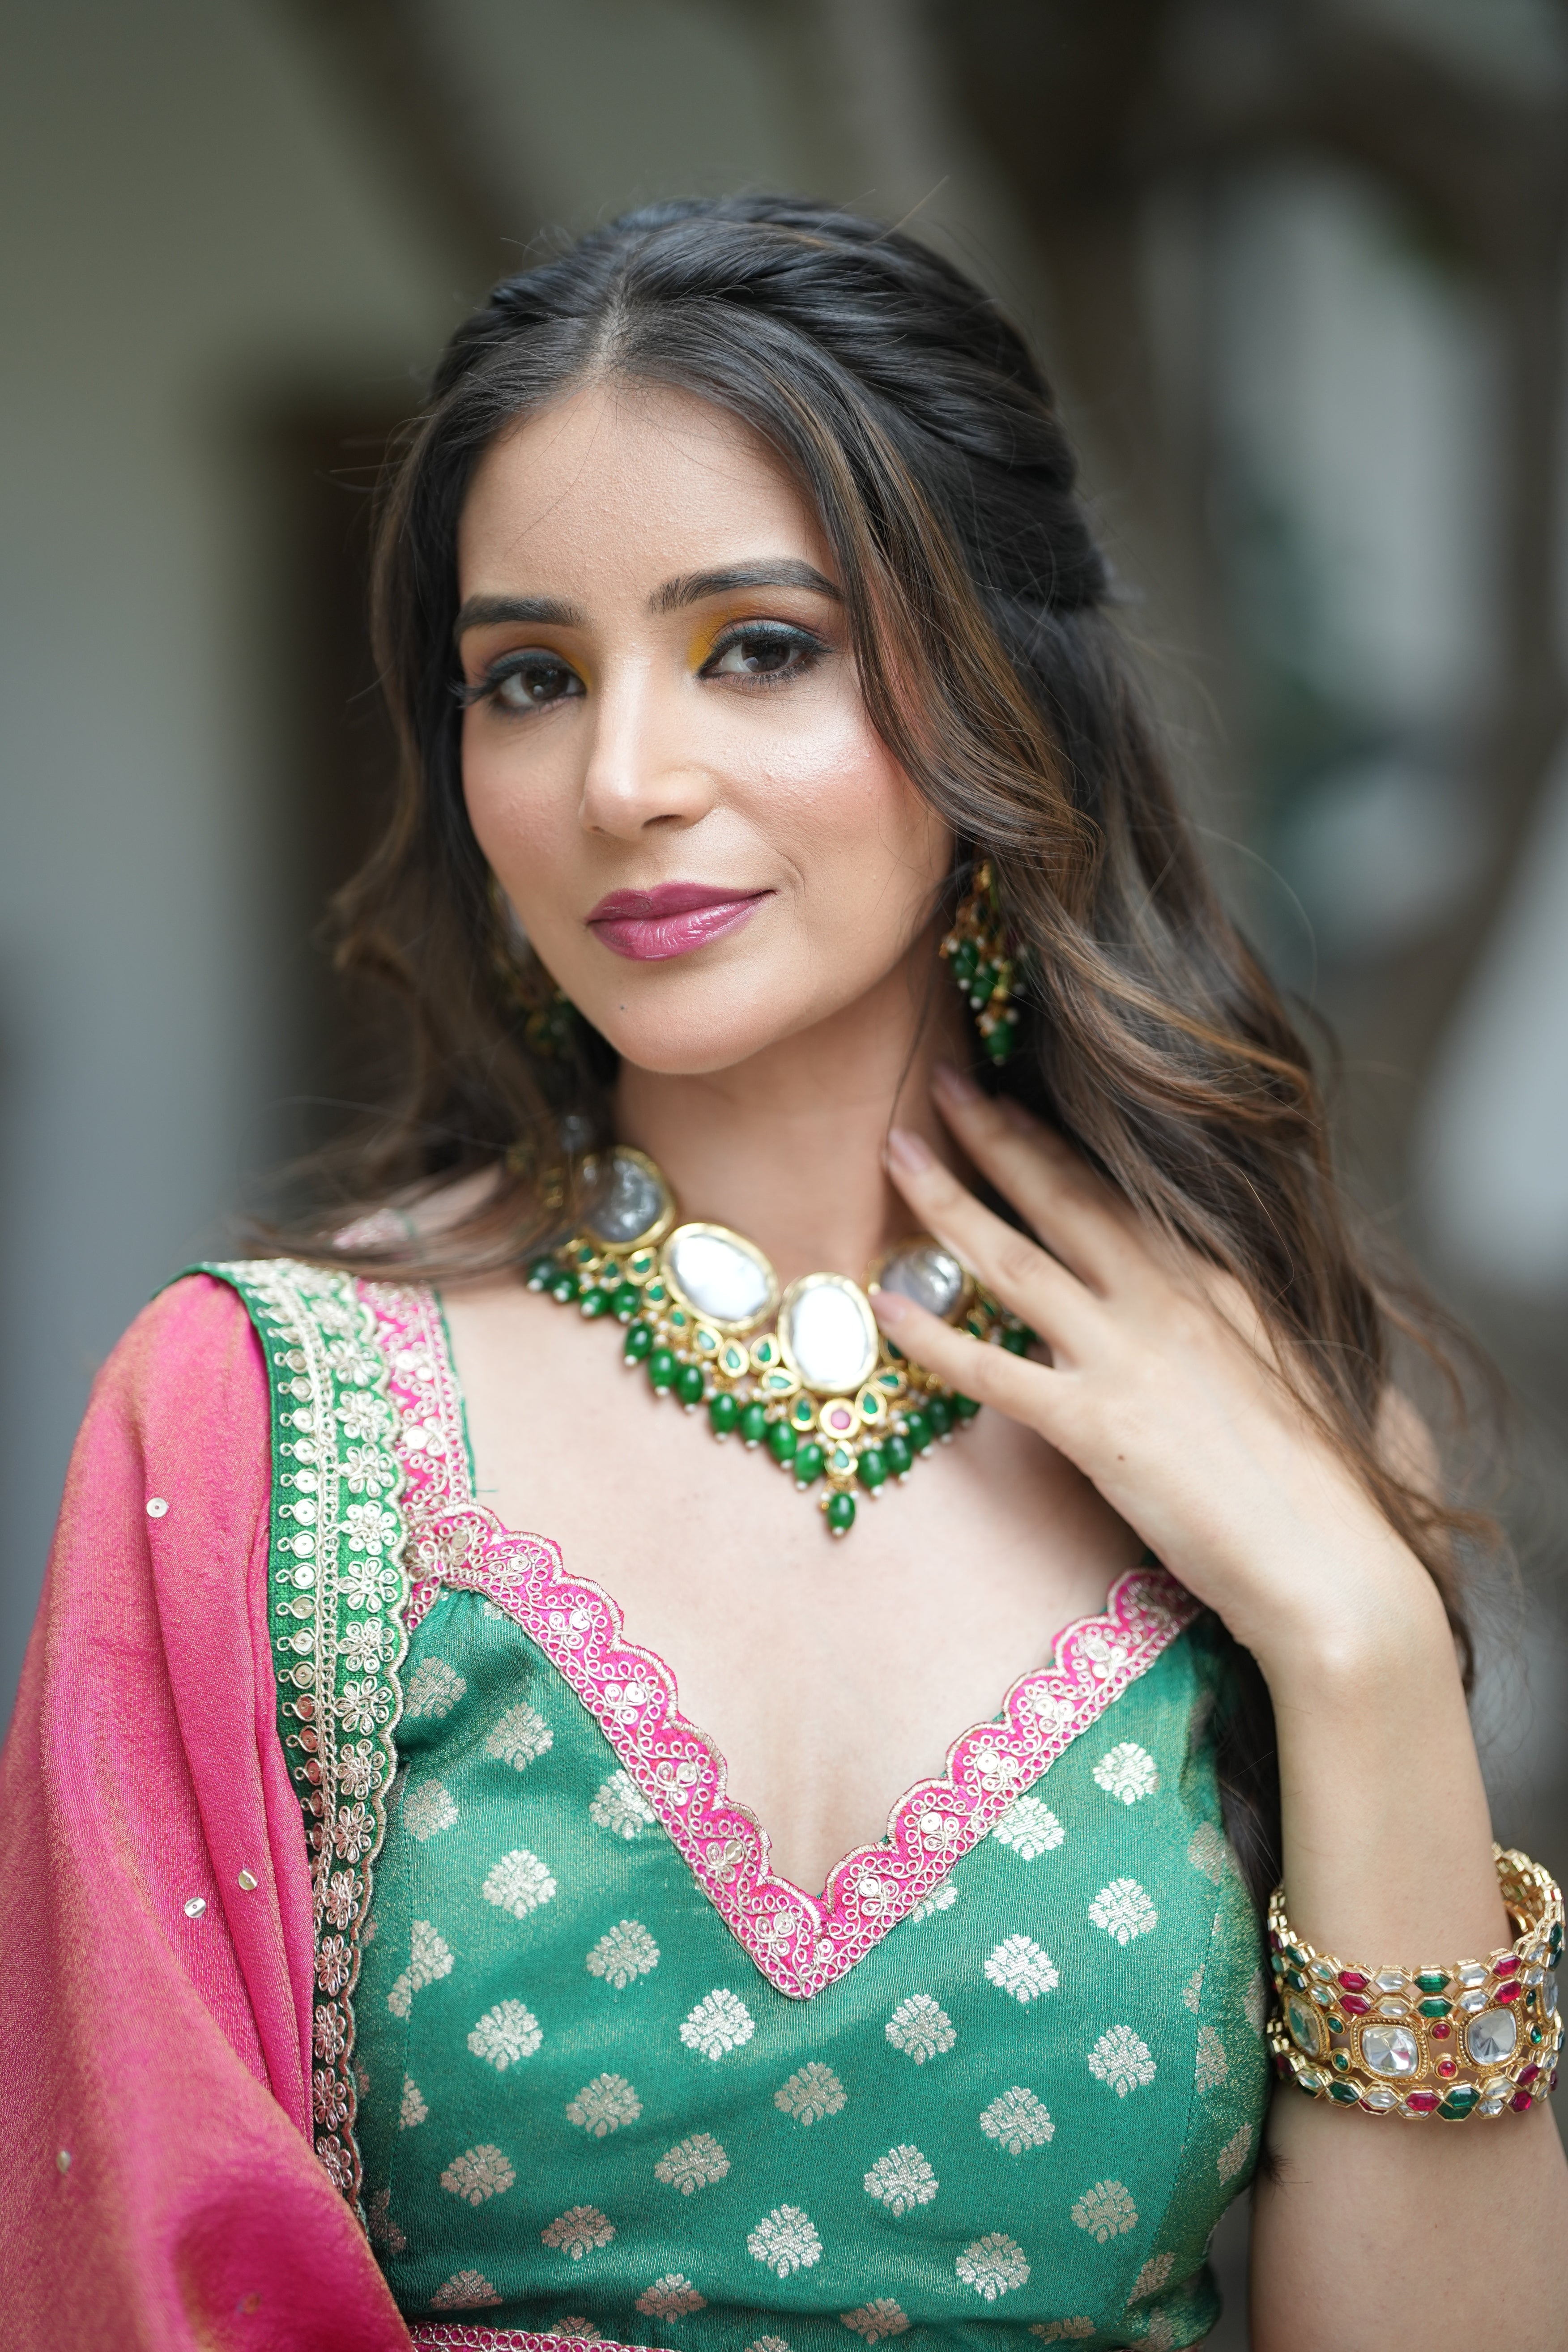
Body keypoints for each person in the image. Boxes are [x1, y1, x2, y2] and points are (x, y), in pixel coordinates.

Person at [1, 196, 1563, 2352]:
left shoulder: (1270, 1432)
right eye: (529, 679)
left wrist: (1369, 1649)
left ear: (1001, 688)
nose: (625, 780)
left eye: (760, 646)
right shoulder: (253, 1426)